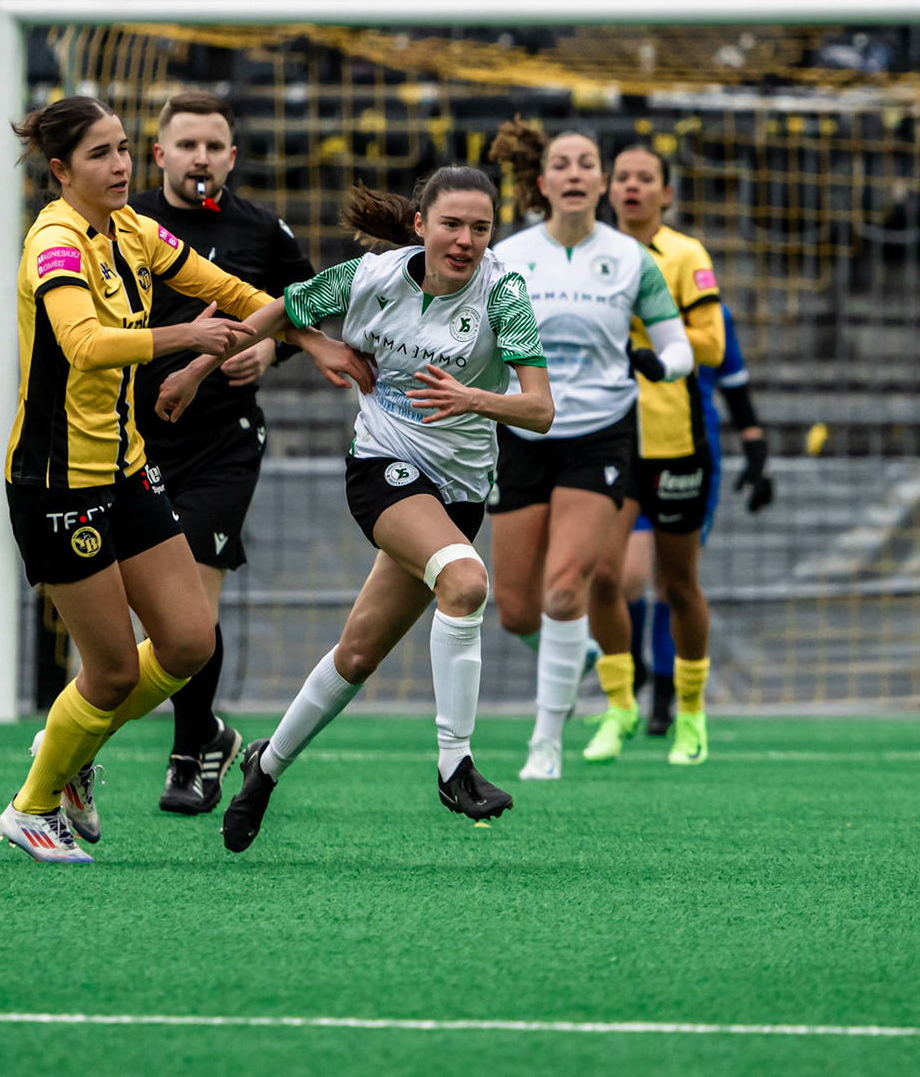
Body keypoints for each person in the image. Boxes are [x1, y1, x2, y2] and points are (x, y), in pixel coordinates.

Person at [0, 96, 366, 864]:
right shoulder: (55, 242)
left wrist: (313, 343)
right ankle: (33, 802)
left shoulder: (132, 229)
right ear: (62, 170)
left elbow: (229, 289)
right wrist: (188, 336)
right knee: (107, 670)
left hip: (126, 469)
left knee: (191, 640)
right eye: (100, 154)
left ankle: (71, 747)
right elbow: (87, 345)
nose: (121, 164)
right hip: (58, 483)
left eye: (125, 148)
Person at [175, 168, 554, 854]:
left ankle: (265, 766)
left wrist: (476, 400)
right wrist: (199, 368)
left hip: (459, 492)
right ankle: (454, 766)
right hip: (383, 469)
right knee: (466, 583)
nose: (465, 240)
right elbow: (282, 308)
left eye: (479, 228)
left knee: (357, 654)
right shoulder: (370, 277)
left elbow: (540, 409)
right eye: (451, 224)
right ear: (420, 225)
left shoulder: (503, 293)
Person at [486, 123, 694, 782]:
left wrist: (660, 367)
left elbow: (680, 345)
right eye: (561, 165)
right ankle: (570, 653)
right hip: (523, 431)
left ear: (601, 182)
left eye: (586, 164)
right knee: (516, 609)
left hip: (601, 433)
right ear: (543, 183)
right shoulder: (508, 255)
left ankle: (546, 743)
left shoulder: (633, 260)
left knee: (567, 583)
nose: (574, 173)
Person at [129, 91, 316, 815]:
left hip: (223, 442)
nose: (200, 157)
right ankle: (208, 732)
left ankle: (187, 760)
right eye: (187, 144)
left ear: (232, 157)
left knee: (194, 601)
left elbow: (311, 312)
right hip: (134, 441)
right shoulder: (125, 224)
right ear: (160, 155)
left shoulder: (261, 232)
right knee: (152, 622)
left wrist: (267, 349)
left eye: (214, 145)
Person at [593, 144, 771, 765]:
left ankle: (683, 704)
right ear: (607, 189)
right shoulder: (589, 257)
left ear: (666, 194)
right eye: (623, 178)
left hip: (677, 440)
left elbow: (723, 350)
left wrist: (753, 441)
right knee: (610, 575)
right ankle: (623, 702)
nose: (633, 187)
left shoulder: (687, 255)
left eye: (647, 179)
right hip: (607, 436)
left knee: (675, 582)